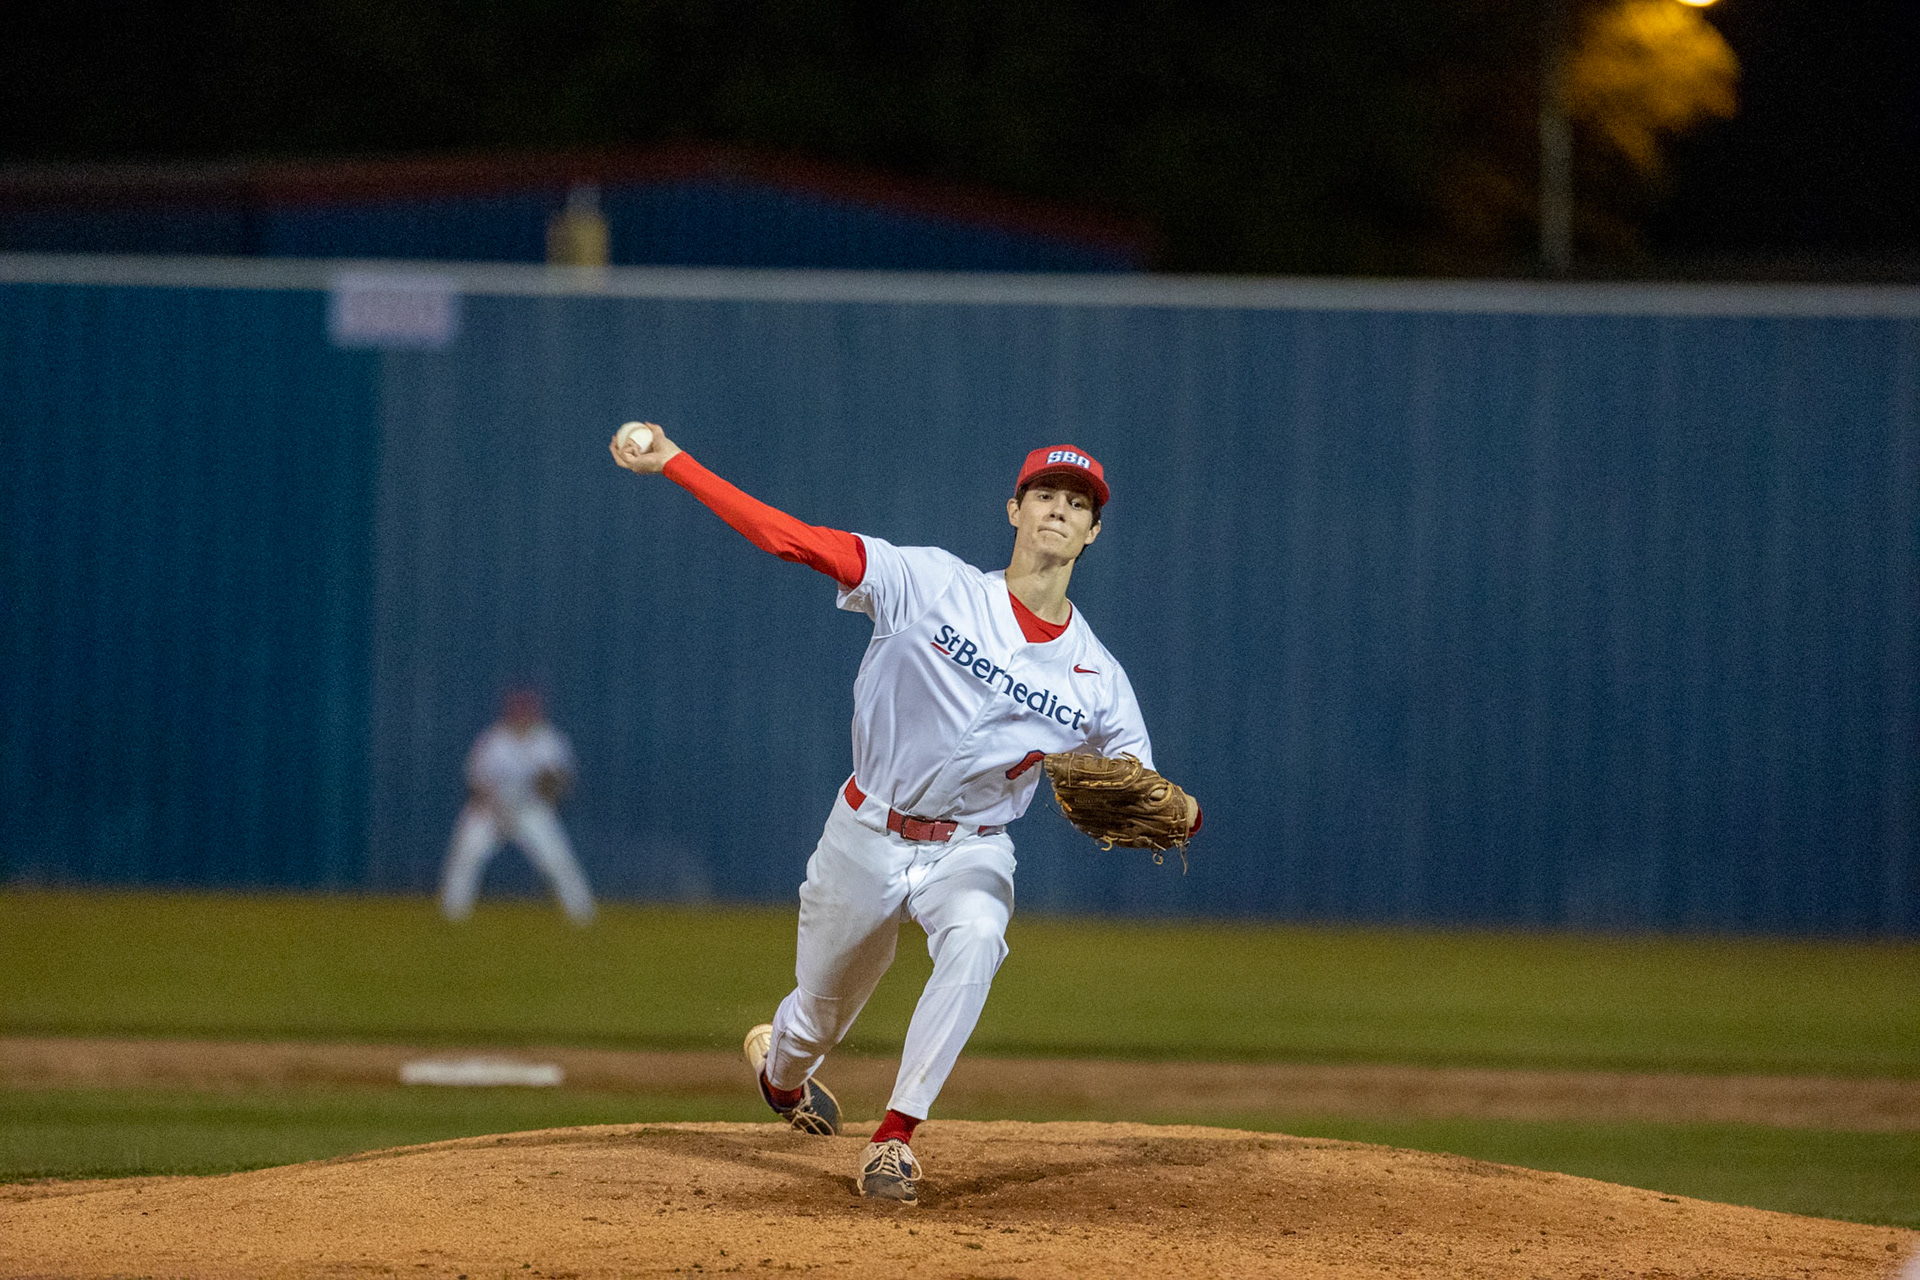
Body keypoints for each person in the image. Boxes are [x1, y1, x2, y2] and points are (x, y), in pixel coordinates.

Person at [611, 425, 1198, 1204]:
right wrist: (677, 464)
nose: (1060, 510)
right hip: (866, 831)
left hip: (972, 847)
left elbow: (1149, 792)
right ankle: (782, 1077)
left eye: (1079, 504)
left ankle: (895, 1140)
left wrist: (1185, 815)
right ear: (1015, 511)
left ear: (1093, 532)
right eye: (1047, 495)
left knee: (980, 935)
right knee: (813, 1025)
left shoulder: (1099, 678)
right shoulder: (930, 583)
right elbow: (792, 541)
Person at [439, 689, 596, 926]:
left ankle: (582, 915)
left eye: (527, 712)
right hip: (491, 809)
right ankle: (453, 914)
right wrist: (494, 807)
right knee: (467, 855)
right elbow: (475, 781)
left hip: (530, 810)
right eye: (518, 712)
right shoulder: (493, 739)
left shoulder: (549, 740)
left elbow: (561, 784)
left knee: (556, 859)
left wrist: (549, 783)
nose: (523, 717)